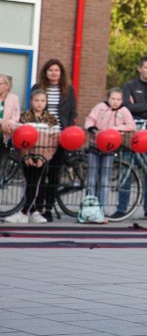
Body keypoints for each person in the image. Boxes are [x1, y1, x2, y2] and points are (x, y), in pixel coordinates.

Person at [117, 56, 147, 218]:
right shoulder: (130, 86)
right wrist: (146, 106)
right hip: (131, 133)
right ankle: (122, 208)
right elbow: (126, 108)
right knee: (126, 170)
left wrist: (138, 109)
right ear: (140, 68)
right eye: (146, 67)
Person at [31, 60, 76, 222]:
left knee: (54, 174)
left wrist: (68, 133)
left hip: (61, 136)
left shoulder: (68, 90)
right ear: (45, 72)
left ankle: (48, 209)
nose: (53, 73)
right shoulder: (37, 88)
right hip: (42, 134)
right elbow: (32, 109)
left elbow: (72, 113)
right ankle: (37, 208)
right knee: (40, 173)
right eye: (50, 70)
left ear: (61, 73)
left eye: (57, 70)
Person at [5, 90, 59, 223]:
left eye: (42, 101)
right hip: (27, 156)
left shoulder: (51, 120)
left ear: (46, 102)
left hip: (42, 157)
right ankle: (34, 211)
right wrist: (25, 156)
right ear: (31, 101)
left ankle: (24, 213)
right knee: (29, 183)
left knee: (35, 183)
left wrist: (44, 157)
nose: (39, 104)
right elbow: (19, 139)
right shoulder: (24, 117)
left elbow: (53, 143)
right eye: (36, 100)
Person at [83, 89, 135, 215]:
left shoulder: (124, 111)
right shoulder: (100, 107)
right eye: (113, 99)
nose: (115, 102)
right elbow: (90, 119)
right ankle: (89, 207)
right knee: (91, 179)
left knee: (104, 180)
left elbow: (131, 126)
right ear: (108, 98)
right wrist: (93, 128)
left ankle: (101, 208)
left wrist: (115, 129)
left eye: (118, 99)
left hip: (110, 148)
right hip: (95, 146)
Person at [0, 73, 21, 139]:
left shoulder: (14, 98)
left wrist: (8, 124)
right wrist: (1, 124)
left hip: (7, 133)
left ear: (7, 86)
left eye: (0, 84)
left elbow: (16, 117)